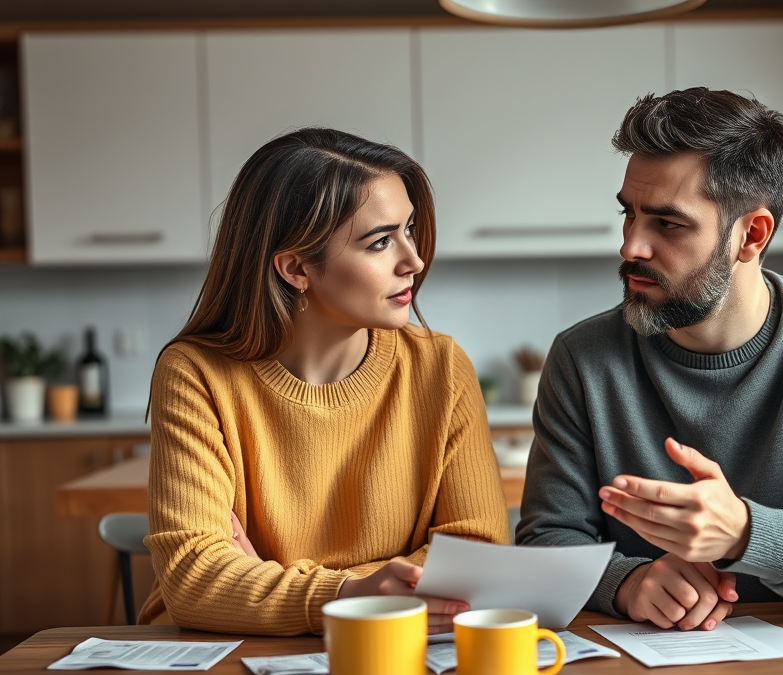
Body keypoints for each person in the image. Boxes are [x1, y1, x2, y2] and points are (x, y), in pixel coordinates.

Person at [516, 88, 783, 632]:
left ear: (752, 234)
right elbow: (544, 542)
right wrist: (626, 583)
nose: (631, 246)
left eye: (668, 224)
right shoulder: (582, 357)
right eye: (629, 214)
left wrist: (746, 535)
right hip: (641, 666)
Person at [139, 128, 510, 636]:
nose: (414, 260)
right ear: (296, 268)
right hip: (224, 650)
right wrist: (351, 594)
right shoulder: (195, 373)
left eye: (410, 229)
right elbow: (194, 581)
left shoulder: (442, 368)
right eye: (381, 242)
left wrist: (271, 585)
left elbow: (478, 555)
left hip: (393, 641)